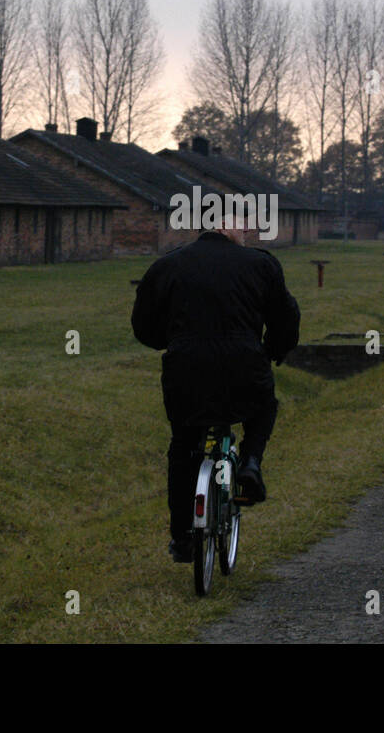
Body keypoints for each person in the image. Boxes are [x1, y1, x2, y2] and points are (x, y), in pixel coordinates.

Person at [131, 211, 300, 563]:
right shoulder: (261, 265)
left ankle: (182, 538)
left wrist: (172, 343)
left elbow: (143, 323)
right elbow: (286, 317)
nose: (247, 234)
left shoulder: (168, 265)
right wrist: (274, 351)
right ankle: (251, 462)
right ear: (227, 226)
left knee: (183, 446)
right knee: (263, 407)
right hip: (245, 363)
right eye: (243, 226)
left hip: (186, 367)